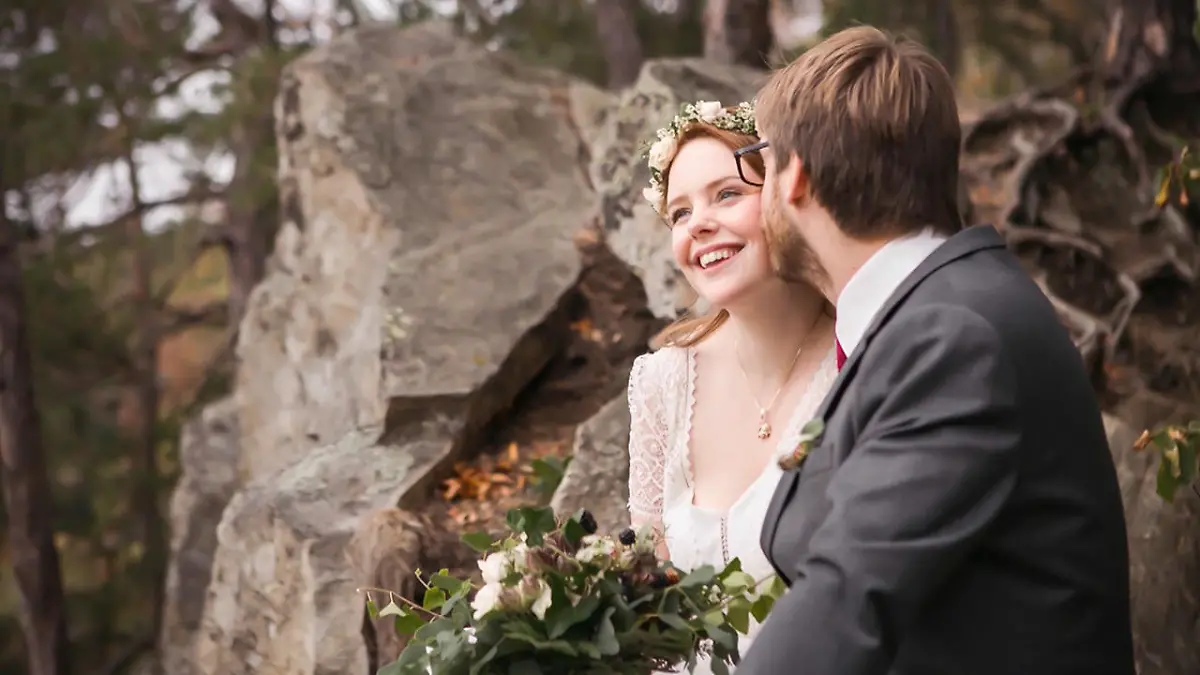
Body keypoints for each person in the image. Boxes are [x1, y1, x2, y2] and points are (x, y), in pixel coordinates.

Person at [736, 26, 1136, 675]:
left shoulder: (951, 335)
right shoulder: (937, 309)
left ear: (798, 177)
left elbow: (846, 599)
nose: (756, 190)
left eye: (760, 160)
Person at [625, 100, 838, 673]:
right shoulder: (662, 383)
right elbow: (645, 599)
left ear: (783, 197)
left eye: (726, 195)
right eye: (679, 213)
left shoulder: (860, 361)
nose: (698, 224)